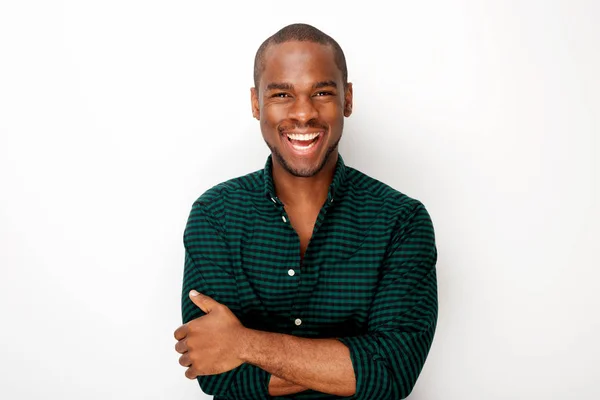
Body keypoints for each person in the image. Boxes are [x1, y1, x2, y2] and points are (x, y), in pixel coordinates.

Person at [173, 23, 438, 399]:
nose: (303, 114)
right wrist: (354, 362)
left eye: (322, 92)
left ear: (347, 99)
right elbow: (216, 374)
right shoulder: (216, 216)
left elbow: (392, 374)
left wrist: (243, 344)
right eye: (282, 93)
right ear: (255, 103)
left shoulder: (401, 222)